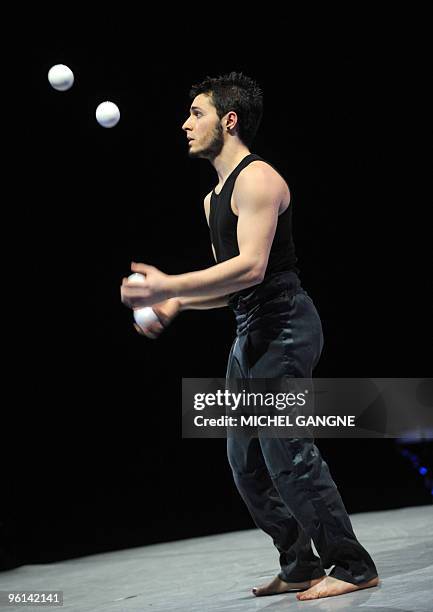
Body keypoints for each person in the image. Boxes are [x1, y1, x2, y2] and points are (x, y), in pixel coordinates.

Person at [120, 72, 379, 601]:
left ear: (229, 120)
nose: (185, 123)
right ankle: (300, 564)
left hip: (285, 323)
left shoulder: (259, 179)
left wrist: (169, 282)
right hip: (250, 330)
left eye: (197, 113)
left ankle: (352, 565)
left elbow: (252, 269)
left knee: (287, 449)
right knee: (246, 463)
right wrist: (178, 301)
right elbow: (231, 287)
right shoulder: (212, 198)